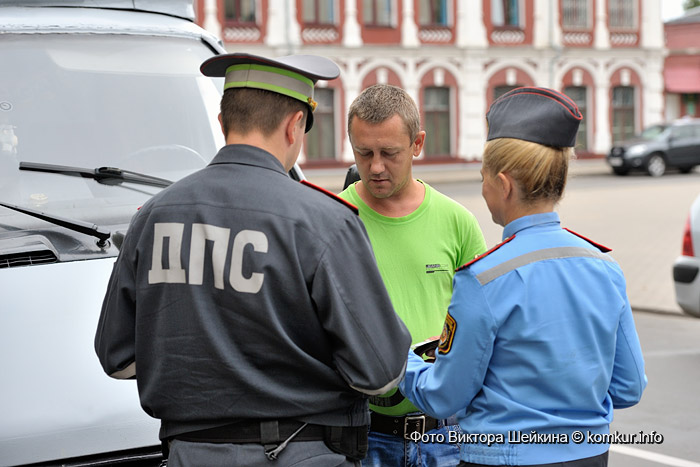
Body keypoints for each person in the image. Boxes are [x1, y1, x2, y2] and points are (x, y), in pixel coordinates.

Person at [94, 53, 412, 467]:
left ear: (224, 123)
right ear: (295, 125)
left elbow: (116, 357)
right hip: (305, 453)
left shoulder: (153, 216)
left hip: (189, 455)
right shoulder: (324, 221)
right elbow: (382, 373)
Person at [399, 87, 647, 467]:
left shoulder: (484, 278)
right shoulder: (604, 268)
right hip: (589, 456)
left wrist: (403, 361)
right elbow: (629, 387)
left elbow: (446, 396)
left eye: (483, 178)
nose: (482, 189)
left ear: (504, 183)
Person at [338, 84, 487, 466]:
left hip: (446, 436)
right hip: (362, 435)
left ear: (417, 143)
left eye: (389, 153)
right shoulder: (332, 218)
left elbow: (483, 329)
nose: (374, 167)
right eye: (363, 152)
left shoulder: (457, 222)